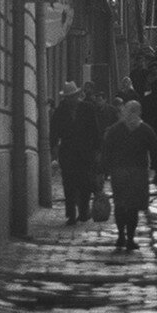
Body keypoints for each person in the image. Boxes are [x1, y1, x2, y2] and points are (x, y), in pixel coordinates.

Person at [103, 100, 157, 251]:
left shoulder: (115, 130)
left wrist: (104, 171)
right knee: (133, 206)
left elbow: (106, 151)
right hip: (138, 173)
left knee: (121, 204)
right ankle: (130, 238)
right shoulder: (145, 130)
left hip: (119, 172)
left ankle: (122, 235)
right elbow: (155, 151)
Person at [49, 81, 100, 225]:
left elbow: (95, 130)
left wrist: (97, 150)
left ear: (77, 95)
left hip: (85, 153)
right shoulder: (60, 111)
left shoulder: (87, 108)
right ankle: (71, 214)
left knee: (85, 183)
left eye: (72, 96)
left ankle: (83, 211)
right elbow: (54, 131)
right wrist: (53, 148)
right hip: (68, 154)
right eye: (67, 97)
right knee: (69, 184)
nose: (70, 99)